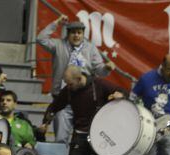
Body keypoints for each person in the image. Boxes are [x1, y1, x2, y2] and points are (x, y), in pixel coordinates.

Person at [39, 66, 125, 155]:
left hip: (102, 135)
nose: (68, 87)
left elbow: (122, 91)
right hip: (80, 134)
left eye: (71, 84)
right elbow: (54, 106)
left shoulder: (99, 84)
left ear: (79, 79)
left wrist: (120, 94)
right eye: (67, 84)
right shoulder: (69, 90)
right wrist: (45, 122)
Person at [37, 16, 114, 144]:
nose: (76, 36)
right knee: (61, 138)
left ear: (83, 34)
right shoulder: (58, 45)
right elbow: (40, 39)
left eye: (79, 33)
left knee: (87, 138)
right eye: (73, 32)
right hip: (63, 98)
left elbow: (100, 71)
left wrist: (106, 68)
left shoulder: (91, 49)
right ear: (68, 34)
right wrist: (56, 22)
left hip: (85, 99)